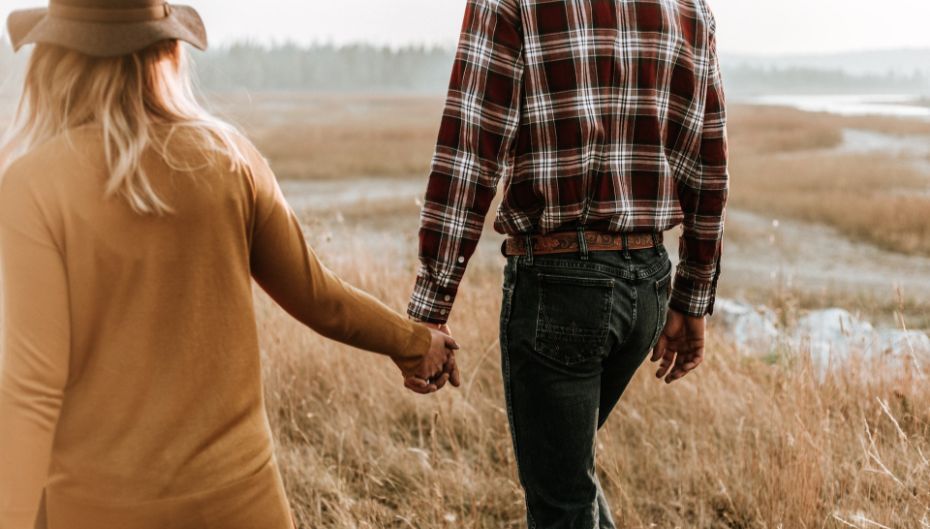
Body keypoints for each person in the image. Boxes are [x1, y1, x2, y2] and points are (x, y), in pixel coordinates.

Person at [0, 1, 460, 528]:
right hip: (245, 505)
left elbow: (31, 391)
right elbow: (320, 298)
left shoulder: (33, 184)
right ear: (167, 52)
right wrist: (416, 343)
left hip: (101, 510)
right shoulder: (230, 158)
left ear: (55, 57)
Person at [408, 0, 729, 527]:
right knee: (568, 481)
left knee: (561, 500)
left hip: (561, 286)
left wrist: (431, 307)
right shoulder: (689, 8)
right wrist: (692, 297)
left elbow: (470, 150)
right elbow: (708, 159)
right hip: (647, 283)